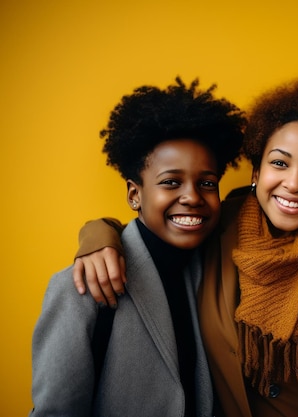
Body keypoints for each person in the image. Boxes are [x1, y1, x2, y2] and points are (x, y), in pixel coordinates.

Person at [70, 76, 298, 417]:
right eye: (279, 163)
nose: (293, 184)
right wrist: (98, 234)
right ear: (255, 172)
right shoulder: (217, 225)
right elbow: (155, 225)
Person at [29, 78, 246, 416]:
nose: (192, 197)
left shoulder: (213, 269)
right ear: (134, 195)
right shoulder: (81, 288)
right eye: (170, 182)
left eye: (207, 183)